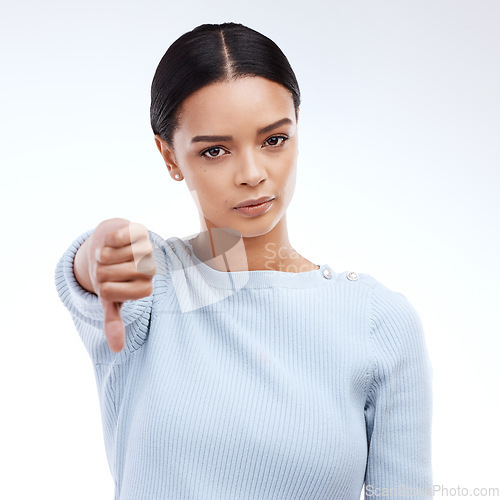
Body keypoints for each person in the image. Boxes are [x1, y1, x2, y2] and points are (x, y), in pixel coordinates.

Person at [54, 22, 433, 500]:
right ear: (169, 156)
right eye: (215, 150)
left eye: (274, 140)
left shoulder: (379, 321)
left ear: (298, 127)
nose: (252, 174)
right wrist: (98, 254)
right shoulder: (155, 287)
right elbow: (99, 272)